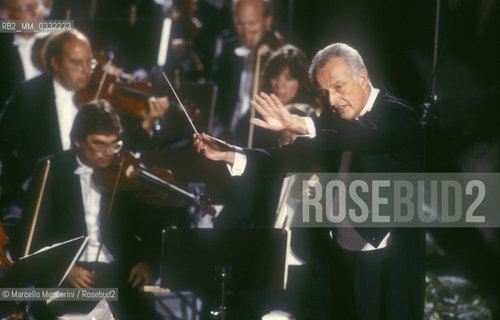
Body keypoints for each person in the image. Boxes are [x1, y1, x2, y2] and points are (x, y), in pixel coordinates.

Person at [194, 42, 426, 319]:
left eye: (339, 87)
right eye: (324, 92)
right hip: (341, 258)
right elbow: (286, 158)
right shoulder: (333, 117)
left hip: (387, 261)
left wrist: (298, 123)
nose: (331, 100)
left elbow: (363, 134)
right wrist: (231, 155)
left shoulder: (396, 114)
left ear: (362, 77)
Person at [22, 101, 161, 319]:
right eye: (99, 144)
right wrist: (65, 268)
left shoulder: (123, 171)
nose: (108, 153)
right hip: (68, 273)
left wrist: (146, 261)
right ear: (78, 141)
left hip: (117, 270)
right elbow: (31, 236)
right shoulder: (50, 169)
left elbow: (151, 223)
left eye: (114, 143)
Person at [212, 0, 281, 145]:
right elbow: (217, 105)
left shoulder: (279, 58)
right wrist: (219, 133)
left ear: (268, 21)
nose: (246, 32)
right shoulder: (227, 53)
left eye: (252, 24)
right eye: (240, 24)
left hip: (261, 141)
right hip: (227, 138)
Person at [0, 0, 48, 111]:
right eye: (26, 8)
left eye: (37, 5)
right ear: (6, 16)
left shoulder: (61, 41)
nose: (36, 12)